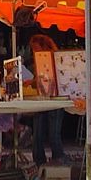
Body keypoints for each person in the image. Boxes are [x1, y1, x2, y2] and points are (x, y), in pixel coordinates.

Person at [28, 34, 67, 166]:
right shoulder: (39, 61)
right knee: (38, 133)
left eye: (36, 48)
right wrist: (32, 82)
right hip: (42, 99)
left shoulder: (57, 60)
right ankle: (40, 162)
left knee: (53, 133)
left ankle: (58, 160)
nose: (34, 51)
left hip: (55, 100)